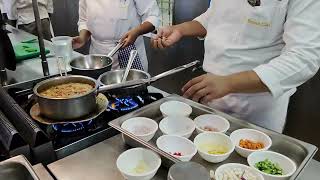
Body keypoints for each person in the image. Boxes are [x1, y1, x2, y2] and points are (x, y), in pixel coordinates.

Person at [152, 0, 320, 133]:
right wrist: (181, 29)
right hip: (212, 94)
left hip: (256, 106)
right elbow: (215, 16)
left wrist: (230, 83)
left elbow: (304, 58)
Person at [72, 0, 160, 71]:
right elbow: (84, 20)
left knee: (132, 89)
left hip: (128, 52)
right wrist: (82, 38)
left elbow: (153, 16)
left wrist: (137, 31)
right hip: (98, 57)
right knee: (101, 91)